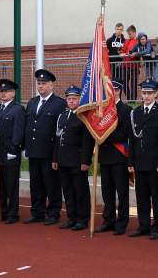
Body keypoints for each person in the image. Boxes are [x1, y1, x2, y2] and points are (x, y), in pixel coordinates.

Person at [128, 79, 158, 240]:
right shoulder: (136, 113)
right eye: (144, 93)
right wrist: (131, 162)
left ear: (156, 94)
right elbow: (132, 140)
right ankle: (144, 224)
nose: (146, 96)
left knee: (157, 196)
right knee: (142, 196)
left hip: (155, 163)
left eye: (150, 93)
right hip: (139, 162)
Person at [24, 69, 66, 226]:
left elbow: (60, 131)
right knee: (35, 184)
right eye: (38, 83)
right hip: (34, 151)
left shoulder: (59, 104)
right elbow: (28, 126)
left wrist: (57, 154)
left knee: (52, 184)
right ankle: (37, 212)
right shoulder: (32, 102)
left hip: (49, 152)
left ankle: (53, 213)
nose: (40, 86)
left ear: (51, 85)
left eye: (43, 84)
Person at [52, 85, 93, 231]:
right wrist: (55, 159)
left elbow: (87, 142)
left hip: (77, 161)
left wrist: (85, 161)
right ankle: (72, 217)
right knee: (68, 190)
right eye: (69, 99)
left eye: (74, 99)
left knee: (80, 191)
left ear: (79, 100)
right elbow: (58, 139)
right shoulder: (62, 116)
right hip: (63, 160)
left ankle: (83, 219)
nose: (71, 101)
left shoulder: (83, 116)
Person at [95, 78, 132, 235]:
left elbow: (124, 134)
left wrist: (105, 134)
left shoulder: (126, 110)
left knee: (121, 191)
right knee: (107, 191)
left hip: (119, 156)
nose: (111, 93)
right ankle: (108, 220)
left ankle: (122, 222)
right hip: (104, 155)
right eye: (109, 90)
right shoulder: (101, 110)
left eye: (114, 90)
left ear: (118, 91)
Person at [0, 79, 26, 224]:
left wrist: (14, 148)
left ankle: (12, 214)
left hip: (10, 153)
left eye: (7, 91)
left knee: (11, 186)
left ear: (13, 93)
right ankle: (0, 211)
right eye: (2, 91)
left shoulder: (18, 109)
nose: (3, 94)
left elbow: (18, 131)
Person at [120, 25, 139, 101]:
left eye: (130, 34)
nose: (129, 35)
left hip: (134, 66)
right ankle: (129, 98)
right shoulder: (127, 41)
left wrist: (133, 54)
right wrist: (121, 53)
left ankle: (133, 100)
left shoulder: (138, 41)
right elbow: (122, 50)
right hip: (125, 65)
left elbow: (138, 52)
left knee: (133, 84)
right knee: (124, 83)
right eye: (128, 34)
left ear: (134, 33)